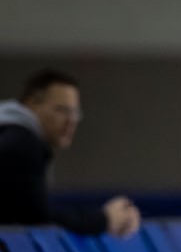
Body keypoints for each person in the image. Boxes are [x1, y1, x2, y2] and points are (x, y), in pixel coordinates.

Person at [0, 70, 141, 236]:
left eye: (75, 113)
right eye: (61, 110)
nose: (70, 121)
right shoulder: (22, 144)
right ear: (31, 105)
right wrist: (104, 219)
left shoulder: (13, 137)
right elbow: (38, 220)